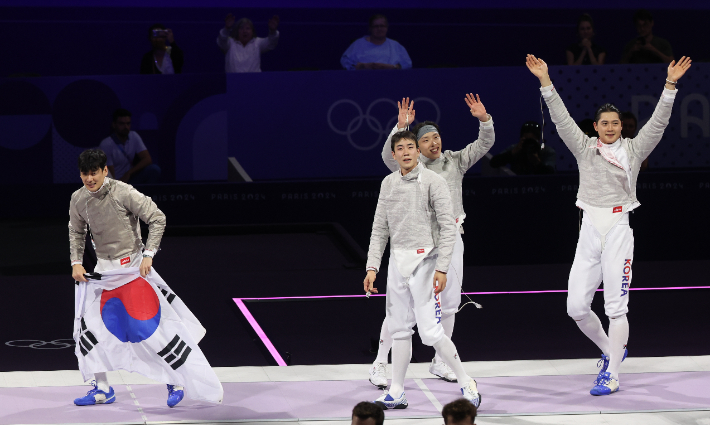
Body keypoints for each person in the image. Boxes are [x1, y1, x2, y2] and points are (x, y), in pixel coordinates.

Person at [525, 54, 691, 395]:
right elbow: (561, 119)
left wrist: (670, 85)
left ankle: (612, 373)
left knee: (616, 306)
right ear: (597, 127)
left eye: (616, 123)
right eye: (605, 123)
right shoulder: (585, 149)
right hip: (589, 230)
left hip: (617, 230)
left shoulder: (633, 149)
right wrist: (545, 80)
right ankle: (609, 351)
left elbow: (658, 123)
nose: (611, 127)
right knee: (575, 307)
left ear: (621, 125)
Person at [368, 95, 493, 387]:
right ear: (417, 147)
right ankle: (379, 362)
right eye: (426, 140)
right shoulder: (412, 166)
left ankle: (440, 362)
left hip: (450, 241)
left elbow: (484, 144)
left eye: (436, 137)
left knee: (449, 304)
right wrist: (399, 127)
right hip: (417, 245)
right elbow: (389, 157)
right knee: (403, 310)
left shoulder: (455, 161)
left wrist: (484, 120)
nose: (434, 143)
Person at [69, 149, 184, 407]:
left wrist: (149, 253)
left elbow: (157, 218)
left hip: (132, 269)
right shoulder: (78, 199)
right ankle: (102, 389)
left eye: (94, 173)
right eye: (85, 174)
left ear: (105, 170)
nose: (89, 178)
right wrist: (76, 262)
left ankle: (176, 380)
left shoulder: (123, 192)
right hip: (103, 273)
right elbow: (76, 232)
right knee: (87, 330)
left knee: (148, 329)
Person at [98, 109, 161, 184]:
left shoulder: (133, 136)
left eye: (128, 124)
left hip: (130, 178)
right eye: (122, 124)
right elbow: (109, 173)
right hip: (115, 182)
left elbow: (147, 159)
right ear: (114, 125)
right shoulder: (106, 144)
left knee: (154, 169)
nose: (126, 127)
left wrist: (129, 173)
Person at [341, 14, 412, 70]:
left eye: (382, 26)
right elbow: (345, 62)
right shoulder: (358, 44)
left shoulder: (395, 45)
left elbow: (408, 64)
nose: (379, 29)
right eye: (375, 26)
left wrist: (390, 67)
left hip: (390, 80)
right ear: (370, 28)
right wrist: (363, 66)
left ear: (387, 28)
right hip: (362, 80)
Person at [489, 121, 555, 174]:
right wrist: (513, 152)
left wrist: (537, 162)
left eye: (532, 141)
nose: (529, 144)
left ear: (539, 140)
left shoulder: (547, 151)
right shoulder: (516, 148)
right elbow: (493, 162)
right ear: (521, 139)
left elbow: (550, 174)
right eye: (526, 140)